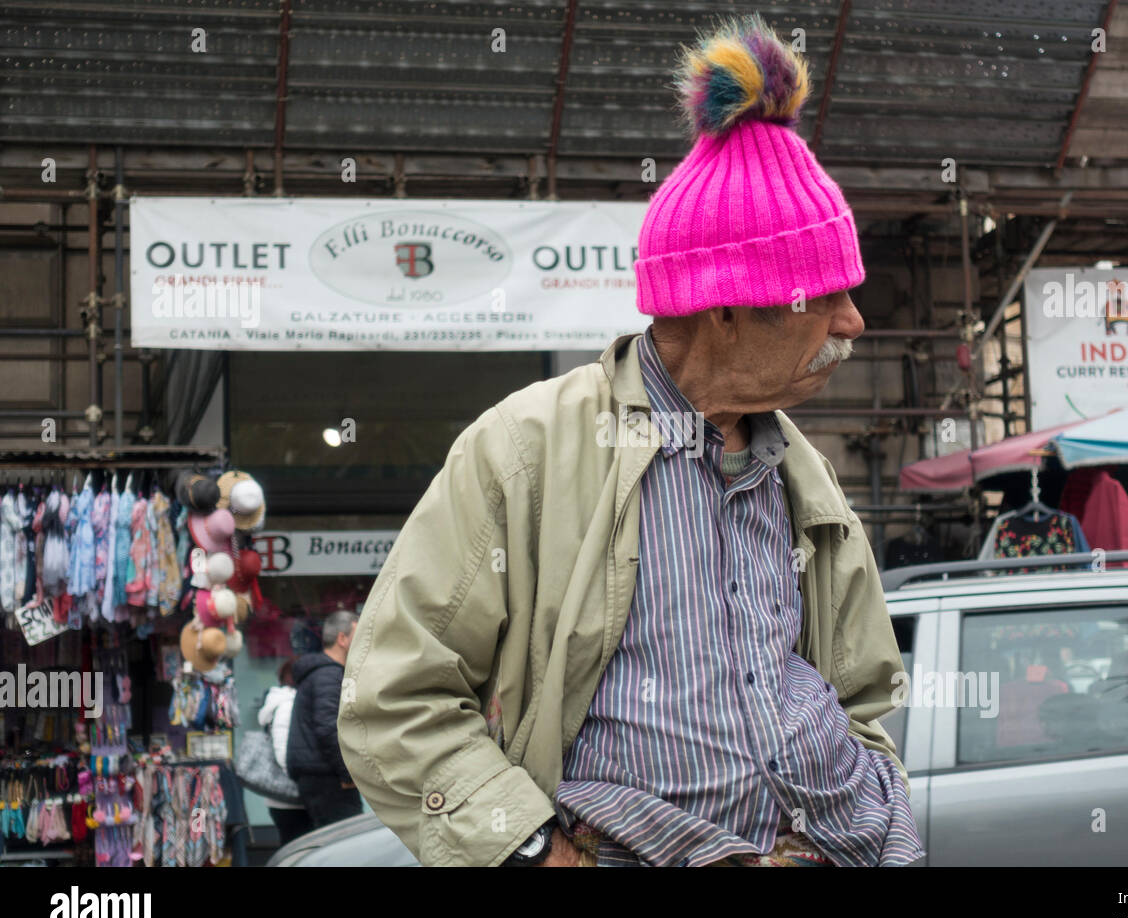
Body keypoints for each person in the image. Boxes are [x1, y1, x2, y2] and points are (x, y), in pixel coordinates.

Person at [339, 15, 923, 868]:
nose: (852, 323)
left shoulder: (805, 476)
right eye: (821, 296)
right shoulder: (523, 452)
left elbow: (863, 696)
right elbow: (393, 701)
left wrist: (865, 804)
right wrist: (536, 853)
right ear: (723, 308)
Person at [287, 610, 361, 829]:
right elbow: (329, 728)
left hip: (320, 775)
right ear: (342, 639)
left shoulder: (322, 673)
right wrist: (347, 774)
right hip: (328, 778)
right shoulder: (328, 675)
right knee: (346, 845)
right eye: (359, 635)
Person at [258, 658, 312, 847]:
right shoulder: (288, 705)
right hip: (289, 797)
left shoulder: (286, 702)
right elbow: (283, 753)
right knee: (298, 850)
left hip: (286, 798)